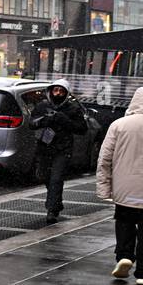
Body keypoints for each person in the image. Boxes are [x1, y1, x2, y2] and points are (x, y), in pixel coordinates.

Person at [96, 87, 143, 285]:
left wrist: (105, 188)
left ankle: (124, 255)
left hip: (124, 188)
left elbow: (105, 159)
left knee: (124, 221)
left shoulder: (119, 125)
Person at [28, 79, 87, 222]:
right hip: (44, 148)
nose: (58, 93)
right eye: (56, 90)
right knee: (45, 177)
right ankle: (56, 202)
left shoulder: (73, 108)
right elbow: (32, 123)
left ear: (66, 93)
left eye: (61, 91)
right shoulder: (43, 105)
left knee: (56, 178)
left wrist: (63, 120)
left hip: (63, 149)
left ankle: (52, 210)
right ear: (51, 91)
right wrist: (43, 121)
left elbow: (82, 129)